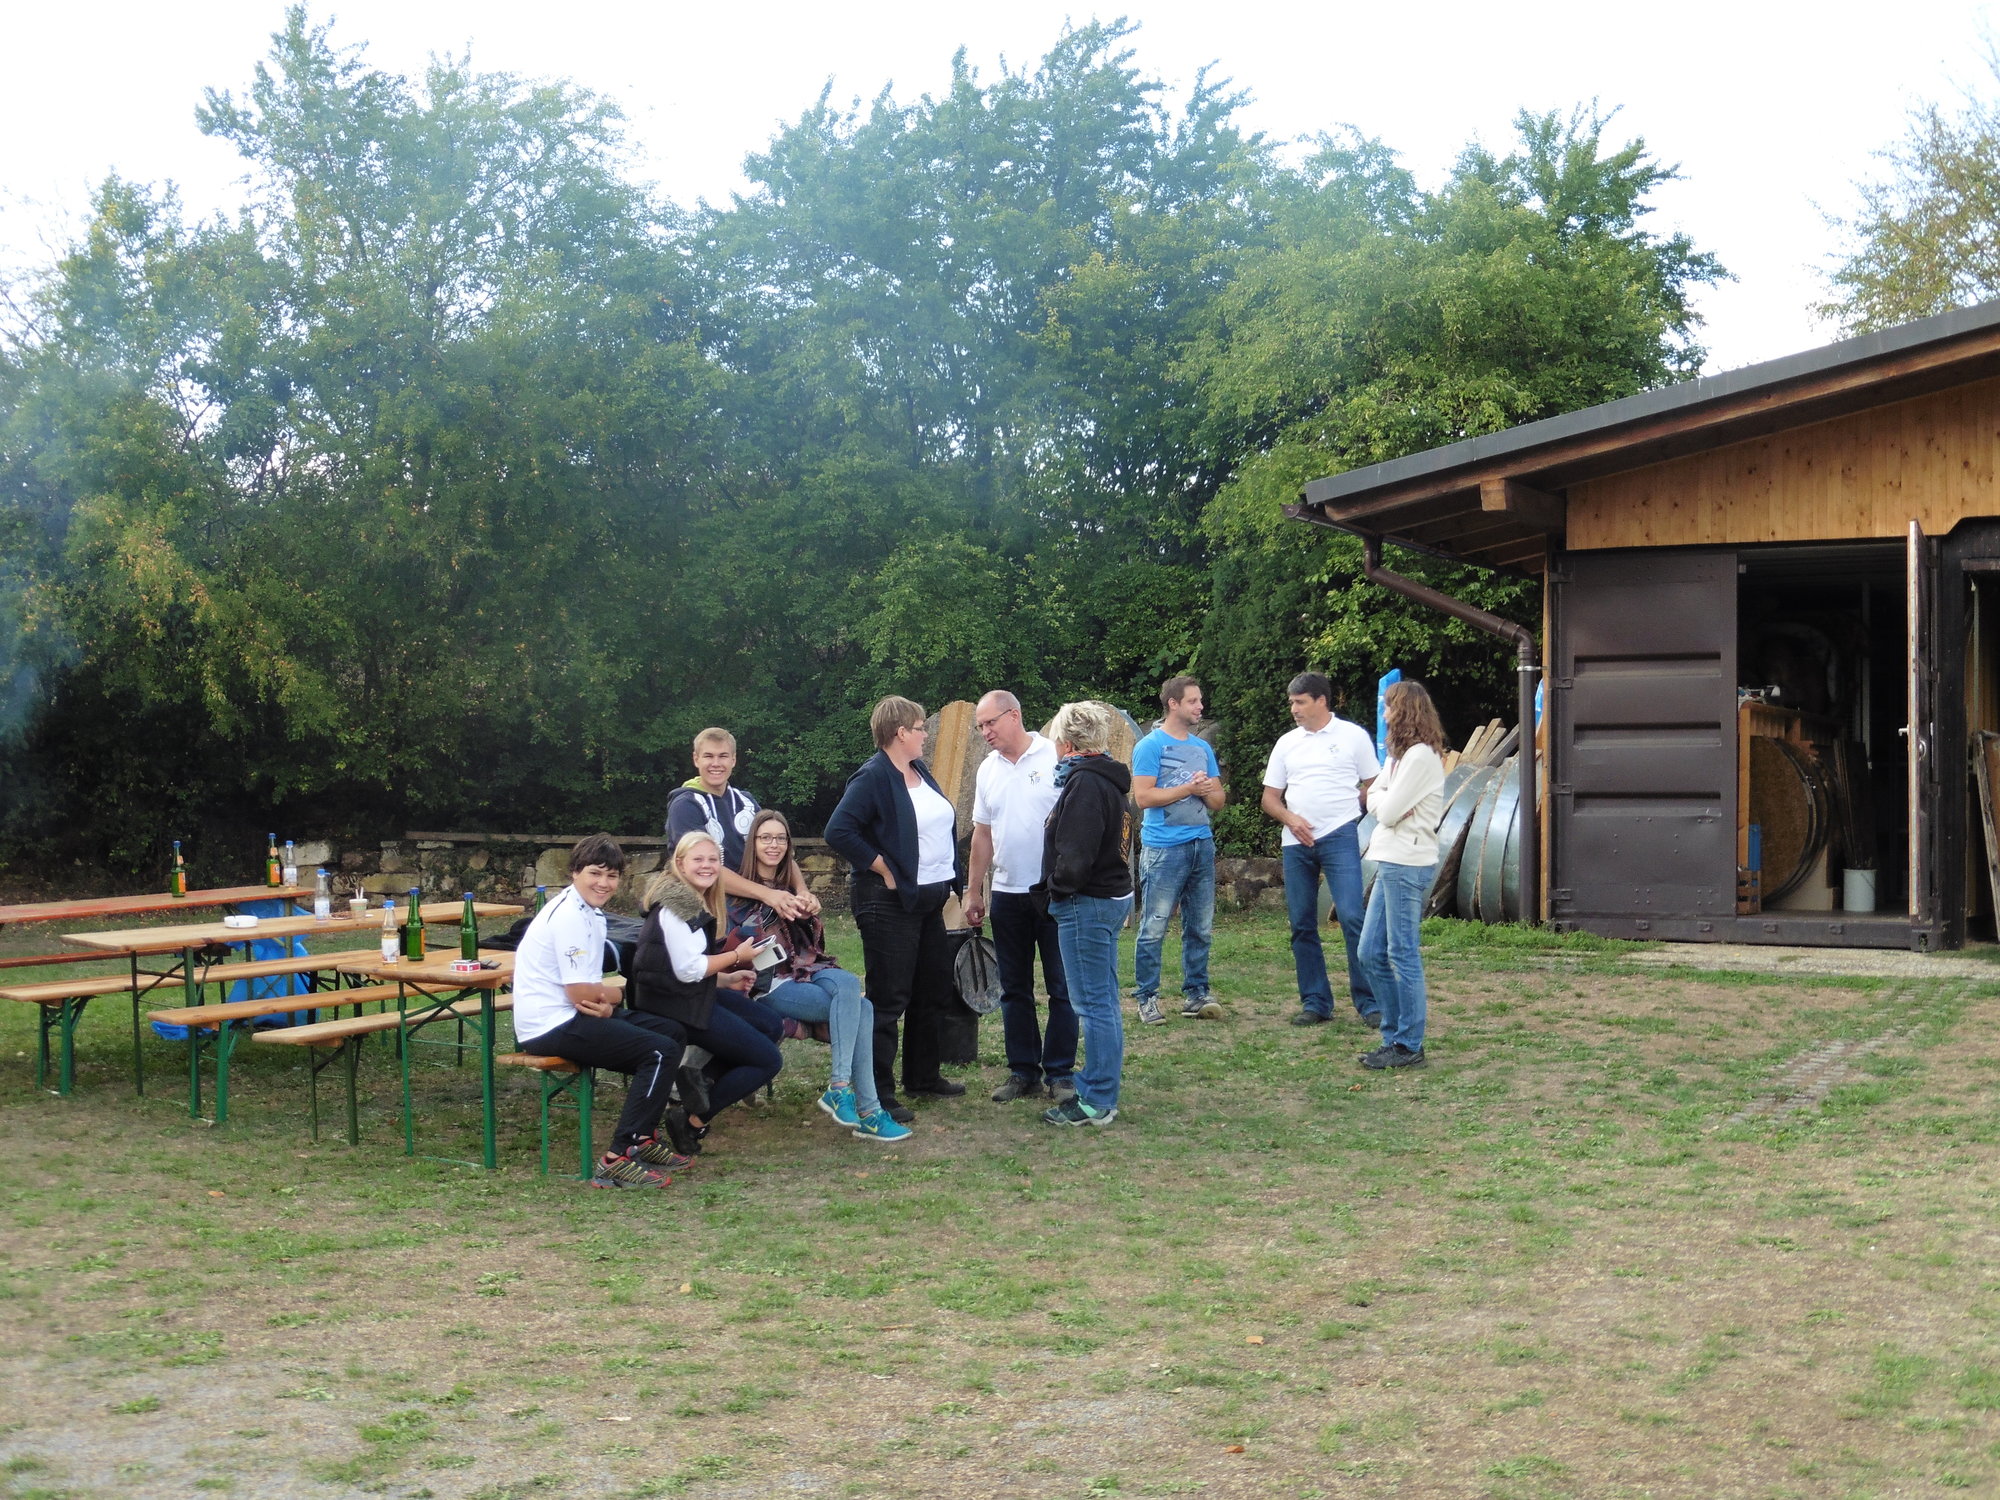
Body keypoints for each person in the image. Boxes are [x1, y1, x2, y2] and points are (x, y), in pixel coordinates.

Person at [513, 834, 691, 1189]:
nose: (604, 883)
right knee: (659, 1053)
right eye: (595, 873)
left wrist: (605, 1001)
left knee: (672, 1032)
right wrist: (614, 994)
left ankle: (643, 1139)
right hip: (548, 1025)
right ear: (574, 872)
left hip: (574, 1013)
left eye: (612, 876)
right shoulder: (569, 916)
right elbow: (580, 992)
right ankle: (617, 1159)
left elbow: (586, 990)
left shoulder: (589, 912)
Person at [727, 810, 911, 1142]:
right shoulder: (740, 890)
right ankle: (868, 1110)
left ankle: (840, 1089)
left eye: (780, 838)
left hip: (806, 970)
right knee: (863, 1009)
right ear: (752, 843)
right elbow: (749, 951)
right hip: (771, 984)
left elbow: (808, 943)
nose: (773, 845)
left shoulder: (790, 886)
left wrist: (808, 910)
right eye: (765, 838)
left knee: (849, 984)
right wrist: (772, 914)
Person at [824, 695, 964, 1122]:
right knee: (888, 998)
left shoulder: (918, 770)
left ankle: (923, 1076)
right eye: (921, 728)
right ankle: (878, 1092)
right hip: (886, 903)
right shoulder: (873, 776)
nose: (926, 735)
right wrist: (883, 867)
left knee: (931, 989)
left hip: (928, 900)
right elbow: (838, 830)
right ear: (900, 732)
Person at [629, 831, 785, 1156]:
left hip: (687, 993)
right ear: (680, 863)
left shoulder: (691, 899)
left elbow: (683, 965)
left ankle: (702, 1082)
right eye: (698, 859)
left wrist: (726, 980)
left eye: (713, 859)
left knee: (770, 1025)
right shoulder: (676, 907)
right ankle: (693, 1119)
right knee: (768, 1061)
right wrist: (736, 957)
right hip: (671, 1004)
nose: (707, 866)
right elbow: (688, 970)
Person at [964, 689, 1076, 1105]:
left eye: (990, 722)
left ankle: (1060, 1072)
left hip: (1054, 891)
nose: (985, 732)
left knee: (1062, 986)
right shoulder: (987, 770)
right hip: (1008, 893)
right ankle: (1023, 1070)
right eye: (980, 726)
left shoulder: (1054, 755)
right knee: (1013, 987)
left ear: (1014, 716)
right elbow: (982, 834)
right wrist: (974, 890)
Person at [1260, 672, 1382, 1028]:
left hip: (1340, 837)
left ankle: (1369, 1002)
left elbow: (1376, 785)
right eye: (1291, 703)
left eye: (1300, 702)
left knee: (1352, 916)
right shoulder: (1287, 743)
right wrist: (1290, 818)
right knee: (1301, 923)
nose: (1294, 709)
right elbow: (1269, 798)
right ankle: (1315, 1002)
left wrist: (1350, 806)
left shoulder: (1352, 736)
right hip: (1295, 842)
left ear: (1321, 701)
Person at [1034, 700, 1134, 1126]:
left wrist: (1054, 891)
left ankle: (1096, 1099)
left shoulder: (1086, 784)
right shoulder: (1107, 779)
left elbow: (1076, 856)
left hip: (1086, 903)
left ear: (1067, 742)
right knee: (1103, 1000)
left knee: (1092, 1004)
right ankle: (1101, 1089)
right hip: (1106, 898)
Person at [1357, 680, 1448, 1070]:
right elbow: (1374, 798)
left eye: (1389, 707)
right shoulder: (1400, 757)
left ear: (1405, 712)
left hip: (1407, 862)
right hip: (1392, 858)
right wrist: (1385, 801)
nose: (1385, 714)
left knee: (1402, 953)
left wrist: (1385, 802)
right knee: (1369, 952)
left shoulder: (1420, 758)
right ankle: (1394, 1037)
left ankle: (1408, 1044)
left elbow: (1389, 810)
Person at [1131, 674, 1226, 1022]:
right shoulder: (1150, 746)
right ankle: (1147, 997)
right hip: (1163, 849)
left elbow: (1218, 801)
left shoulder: (1202, 749)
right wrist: (1188, 789)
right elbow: (1143, 797)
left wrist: (1206, 790)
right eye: (1193, 701)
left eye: (1200, 700)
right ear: (1173, 704)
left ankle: (1197, 994)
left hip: (1201, 843)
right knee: (1154, 927)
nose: (1200, 706)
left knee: (1200, 926)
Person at [665, 727, 814, 920]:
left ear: (733, 760)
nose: (716, 763)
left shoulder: (747, 802)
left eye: (723, 756)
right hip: (705, 909)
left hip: (749, 906)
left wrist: (802, 891)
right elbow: (702, 868)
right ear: (696, 759)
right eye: (708, 756)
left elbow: (776, 849)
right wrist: (767, 894)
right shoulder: (685, 805)